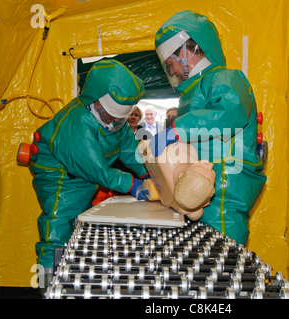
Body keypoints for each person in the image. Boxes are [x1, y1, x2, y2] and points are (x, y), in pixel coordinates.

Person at [29, 60, 150, 296]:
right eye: (111, 116)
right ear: (96, 101)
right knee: (57, 229)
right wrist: (133, 184)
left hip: (85, 174)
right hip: (60, 177)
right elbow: (98, 171)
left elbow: (128, 150)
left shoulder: (117, 123)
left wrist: (147, 173)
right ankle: (47, 288)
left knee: (78, 226)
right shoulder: (77, 121)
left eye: (120, 119)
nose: (115, 123)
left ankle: (71, 284)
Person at [152, 10, 267, 245]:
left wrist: (176, 130)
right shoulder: (191, 93)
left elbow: (230, 112)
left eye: (171, 63)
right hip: (202, 182)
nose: (171, 71)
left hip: (224, 182)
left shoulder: (225, 78)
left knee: (223, 249)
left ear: (185, 52)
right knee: (203, 251)